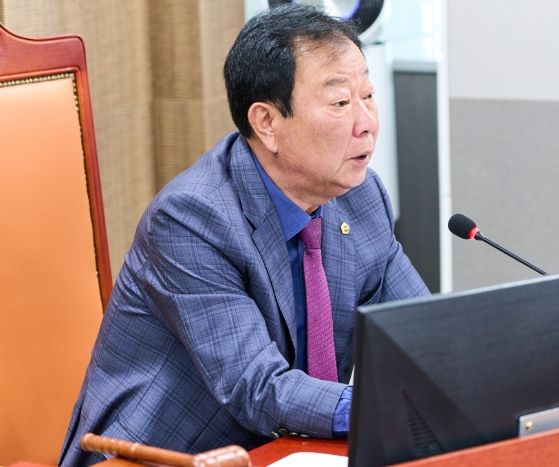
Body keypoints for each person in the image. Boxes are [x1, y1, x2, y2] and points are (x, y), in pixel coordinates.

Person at [59, 4, 429, 465]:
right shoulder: (192, 219)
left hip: (289, 449)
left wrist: (472, 375)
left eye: (368, 96)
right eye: (340, 103)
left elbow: (419, 332)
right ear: (267, 122)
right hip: (164, 456)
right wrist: (382, 407)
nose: (367, 122)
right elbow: (257, 387)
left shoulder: (361, 196)